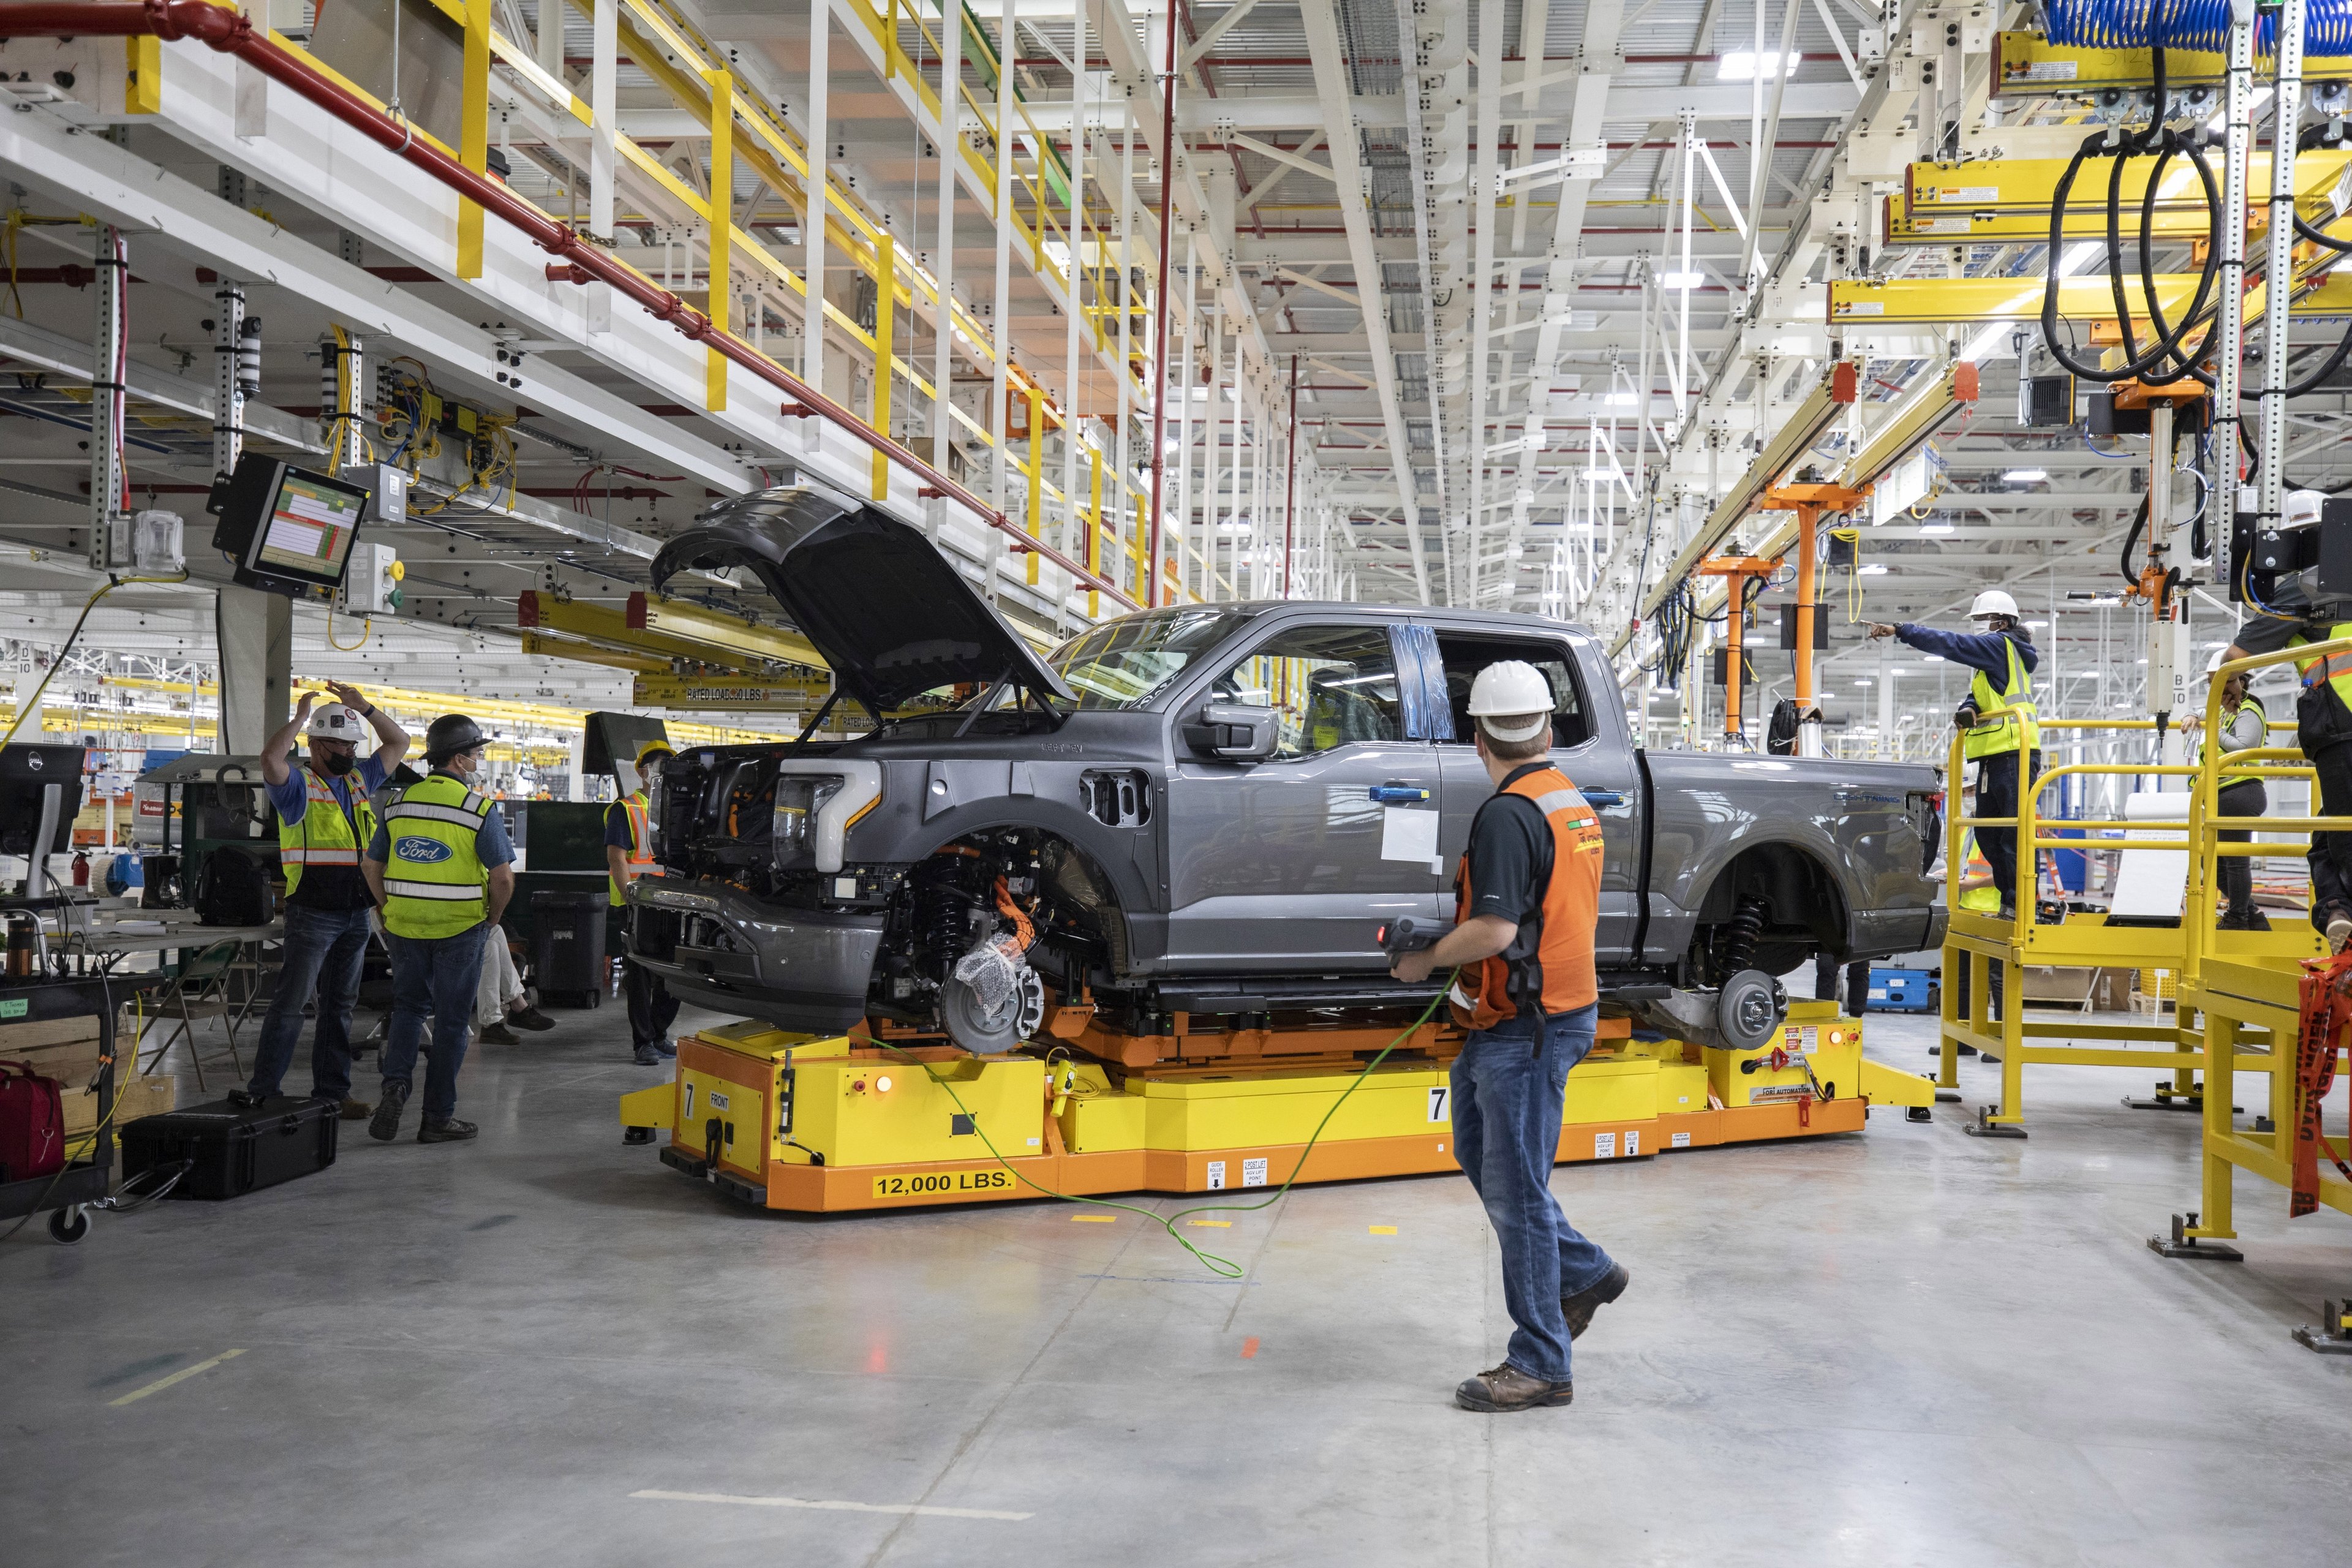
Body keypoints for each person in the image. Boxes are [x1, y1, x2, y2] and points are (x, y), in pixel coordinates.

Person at [1388, 660, 1626, 1414]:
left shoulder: (1507, 812)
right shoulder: (1568, 800)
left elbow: (1494, 927)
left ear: (1478, 736)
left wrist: (1424, 957)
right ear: (1548, 728)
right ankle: (1586, 1270)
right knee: (1480, 1152)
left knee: (1518, 1193)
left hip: (1528, 1026)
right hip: (1542, 1012)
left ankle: (1541, 1363)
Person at [235, 683, 409, 1117]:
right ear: (315, 744)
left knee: (340, 1007)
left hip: (355, 911)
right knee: (292, 1004)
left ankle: (333, 1093)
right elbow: (270, 761)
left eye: (352, 744)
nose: (349, 752)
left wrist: (363, 708)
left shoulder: (359, 780)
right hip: (313, 911)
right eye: (339, 743)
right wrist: (299, 717)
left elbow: (399, 742)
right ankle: (265, 1091)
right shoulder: (296, 787)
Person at [361, 714, 515, 1144]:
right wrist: (494, 918)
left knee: (409, 1010)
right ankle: (436, 1119)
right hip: (460, 930)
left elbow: (371, 865)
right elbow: (502, 879)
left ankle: (394, 1088)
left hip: (406, 928)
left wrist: (388, 907)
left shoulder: (397, 804)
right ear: (460, 760)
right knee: (450, 1022)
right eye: (477, 753)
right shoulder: (477, 808)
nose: (479, 760)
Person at [1869, 591, 2041, 919]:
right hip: (1993, 756)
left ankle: (2018, 904)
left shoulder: (2000, 646)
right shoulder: (1995, 660)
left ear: (2002, 622)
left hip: (2014, 752)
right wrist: (1969, 708)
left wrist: (1901, 630)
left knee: (2011, 834)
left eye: (1983, 620)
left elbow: (1952, 644)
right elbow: (1981, 695)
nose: (1980, 627)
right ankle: (2010, 902)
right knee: (1989, 833)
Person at [2182, 648, 2271, 930]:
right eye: (2214, 684)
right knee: (2212, 862)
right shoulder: (2221, 711)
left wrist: (2213, 729)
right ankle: (2251, 914)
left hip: (2240, 792)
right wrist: (2193, 715)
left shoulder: (2249, 708)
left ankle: (2238, 918)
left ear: (2241, 681)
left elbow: (2245, 748)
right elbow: (2206, 712)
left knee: (2234, 861)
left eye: (2225, 682)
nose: (2219, 689)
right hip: (2221, 795)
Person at [609, 739, 680, 1066]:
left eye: (667, 766)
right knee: (640, 976)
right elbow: (617, 860)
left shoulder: (678, 811)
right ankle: (643, 1043)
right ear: (641, 771)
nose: (660, 773)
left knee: (674, 975)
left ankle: (658, 1034)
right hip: (638, 904)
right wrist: (631, 899)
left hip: (674, 904)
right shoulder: (626, 809)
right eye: (655, 766)